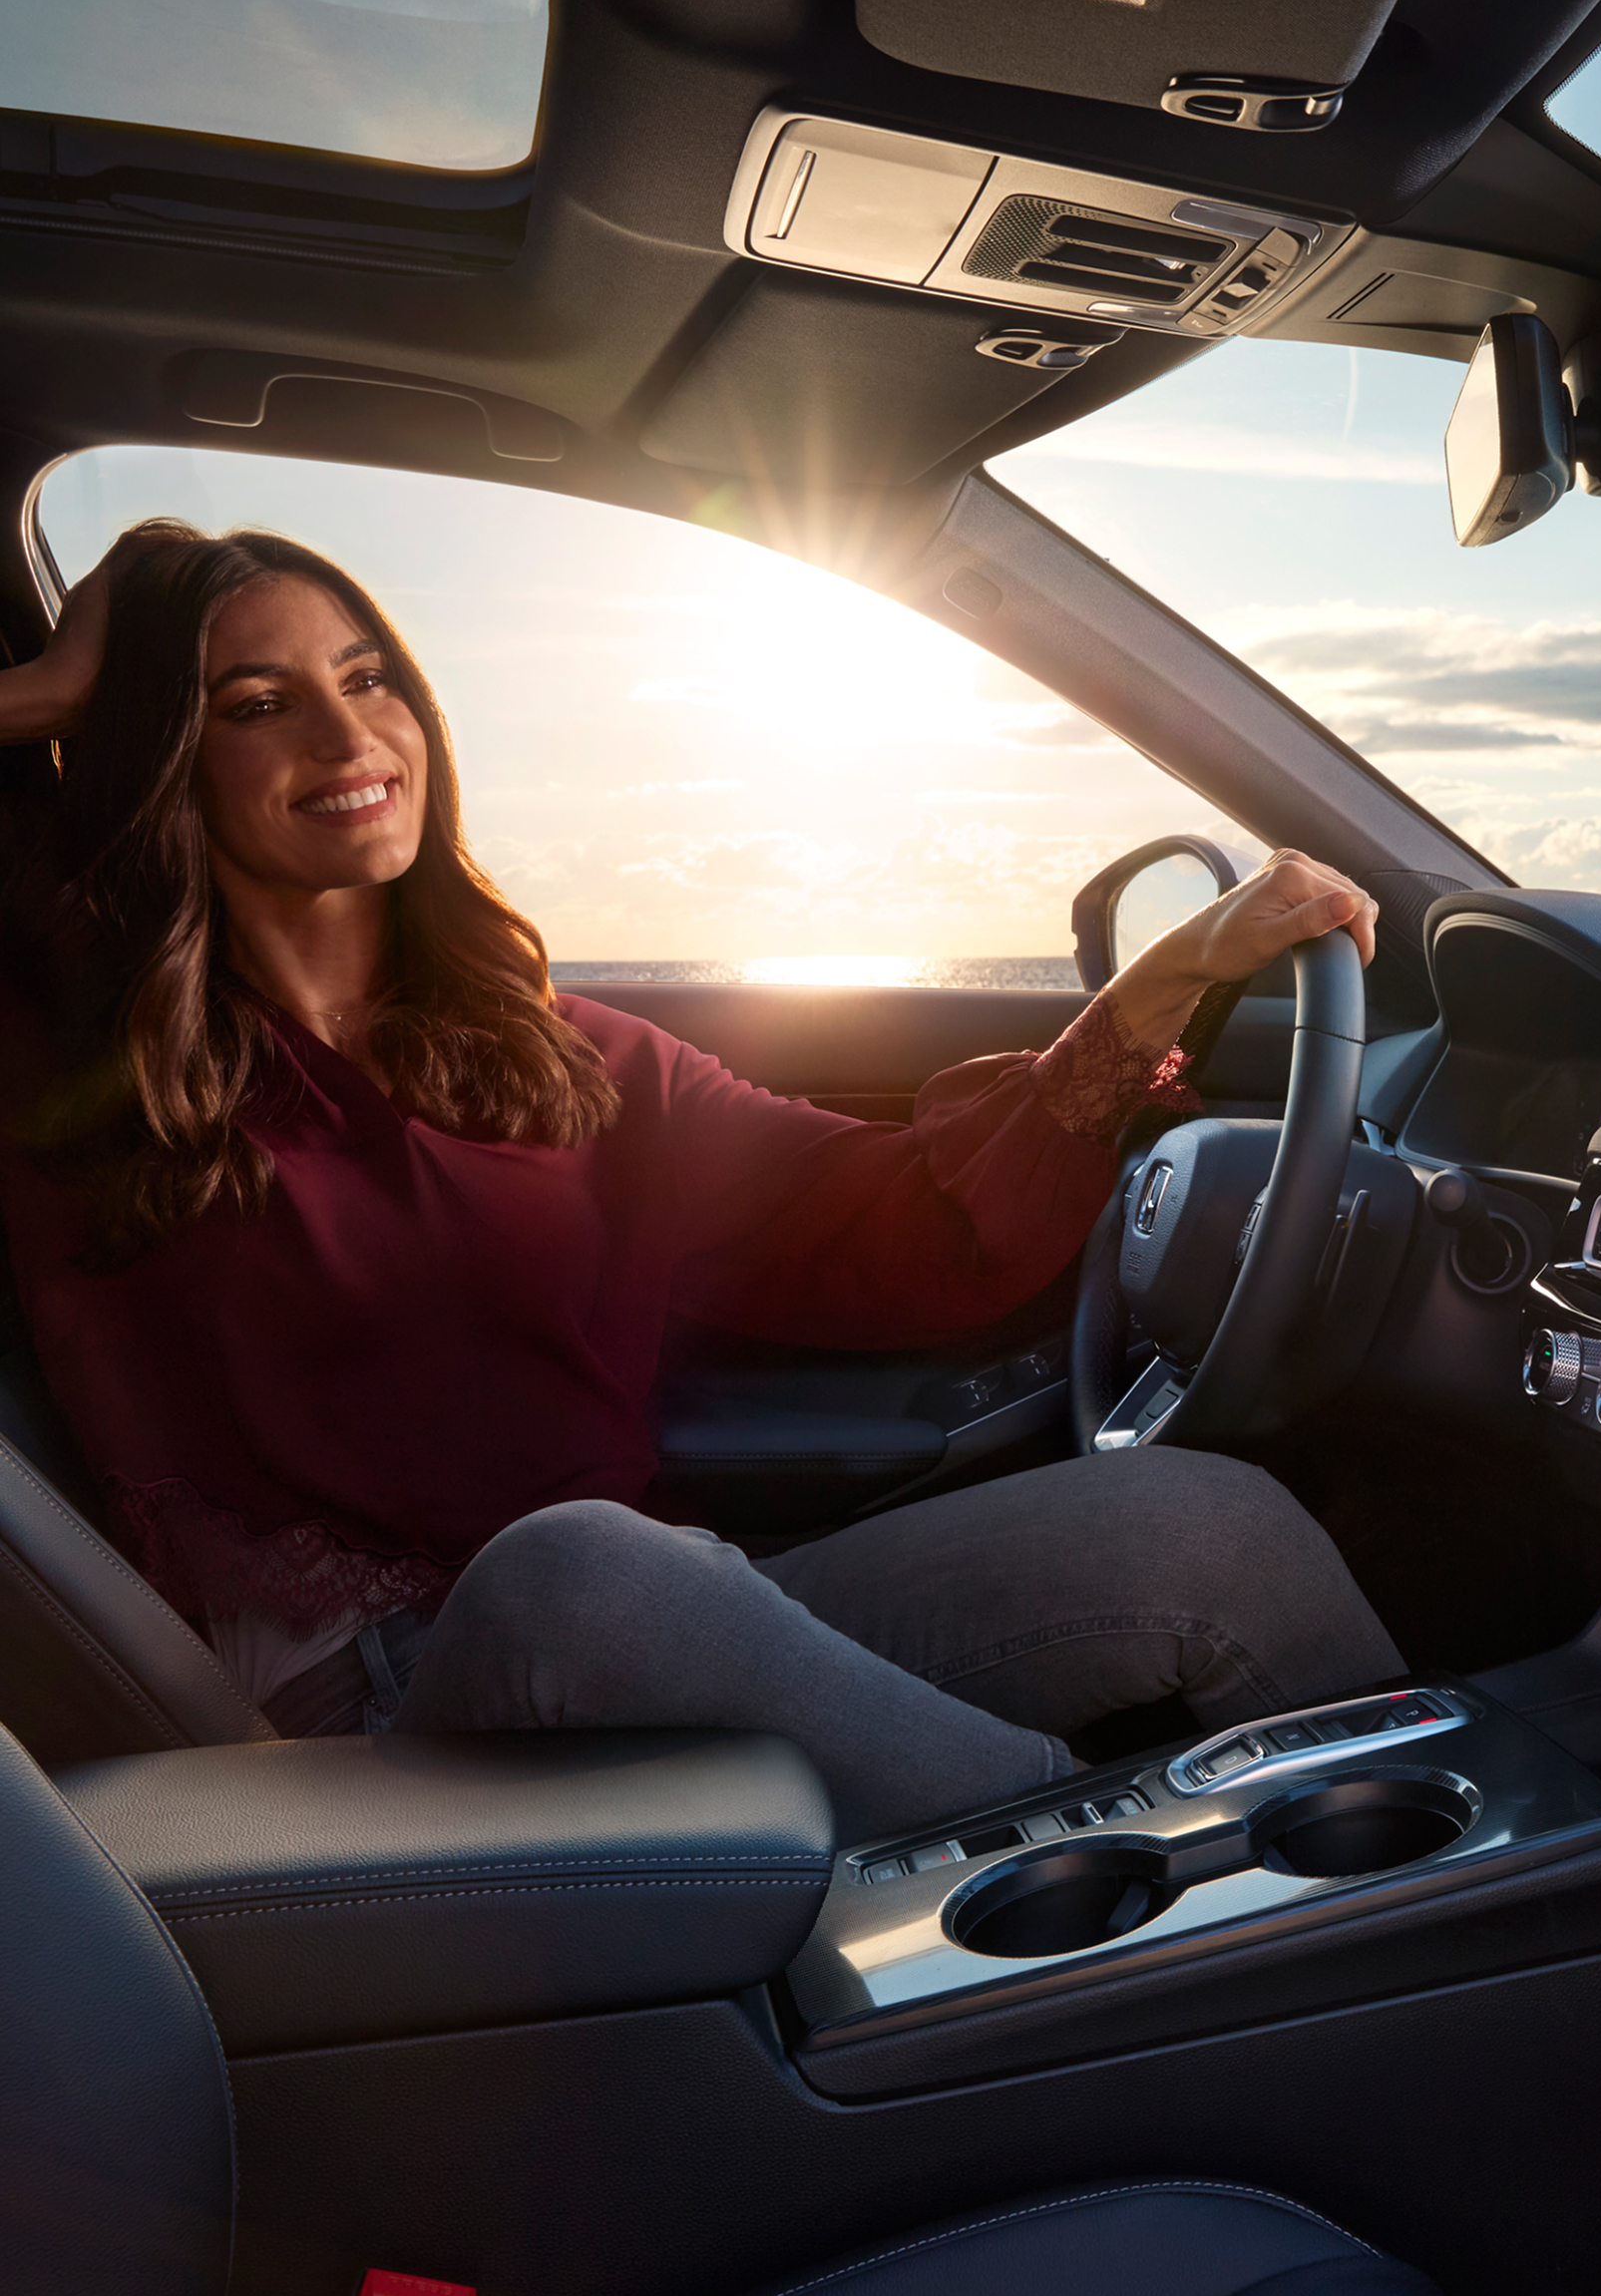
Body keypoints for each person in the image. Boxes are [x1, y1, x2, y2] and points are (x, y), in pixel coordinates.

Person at [0, 522, 1402, 1833]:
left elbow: (912, 1230)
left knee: (1210, 1529)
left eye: (369, 679)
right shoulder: (78, 1053)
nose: (349, 734)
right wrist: (53, 691)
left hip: (661, 1618)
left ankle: (1436, 1913)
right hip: (370, 1733)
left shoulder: (568, 1059)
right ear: (165, 754)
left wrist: (1166, 979)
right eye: (256, 703)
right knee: (580, 1572)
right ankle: (1096, 1881)